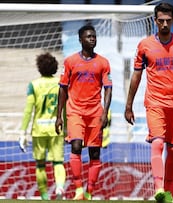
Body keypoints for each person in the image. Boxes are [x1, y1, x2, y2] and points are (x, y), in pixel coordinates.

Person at [124, 2, 173, 203]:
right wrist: (128, 105)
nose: (165, 24)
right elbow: (136, 76)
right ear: (155, 21)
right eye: (161, 21)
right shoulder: (144, 45)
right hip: (155, 103)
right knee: (157, 141)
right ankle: (158, 188)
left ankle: (165, 192)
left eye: (168, 20)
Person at [55, 24, 112, 200]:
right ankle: (79, 190)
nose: (92, 39)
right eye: (88, 36)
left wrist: (105, 113)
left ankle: (90, 191)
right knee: (76, 146)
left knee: (95, 153)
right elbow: (63, 89)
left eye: (94, 36)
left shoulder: (103, 62)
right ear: (80, 40)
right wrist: (59, 116)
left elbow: (108, 89)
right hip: (75, 111)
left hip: (95, 112)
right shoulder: (70, 61)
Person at [18, 52, 66, 200]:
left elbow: (28, 109)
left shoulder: (34, 85)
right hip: (56, 129)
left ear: (39, 68)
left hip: (38, 130)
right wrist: (67, 127)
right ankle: (59, 188)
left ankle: (44, 196)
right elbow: (65, 106)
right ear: (55, 67)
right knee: (58, 162)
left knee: (40, 165)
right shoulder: (60, 83)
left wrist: (22, 132)